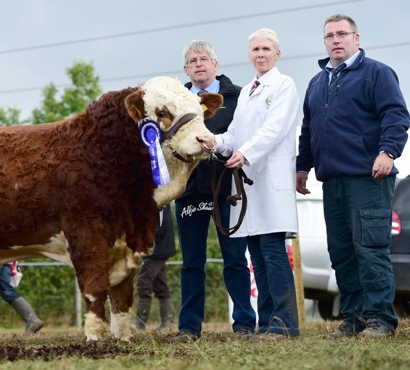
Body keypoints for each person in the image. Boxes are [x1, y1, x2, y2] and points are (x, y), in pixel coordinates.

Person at [296, 14, 410, 338]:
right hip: (331, 182)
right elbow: (309, 130)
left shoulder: (377, 73)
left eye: (342, 34)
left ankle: (380, 320)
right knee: (342, 252)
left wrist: (388, 152)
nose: (335, 40)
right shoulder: (317, 83)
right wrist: (302, 167)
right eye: (329, 35)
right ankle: (354, 319)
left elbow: (396, 115)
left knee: (370, 248)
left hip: (368, 179)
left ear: (356, 39)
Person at [213, 28, 300, 339]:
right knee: (257, 257)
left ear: (277, 54)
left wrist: (243, 153)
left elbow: (274, 129)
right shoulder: (249, 91)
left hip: (270, 181)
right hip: (249, 185)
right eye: (255, 49)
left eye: (266, 49)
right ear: (249, 55)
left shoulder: (284, 85)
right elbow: (234, 134)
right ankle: (267, 323)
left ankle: (286, 324)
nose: (260, 54)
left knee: (274, 253)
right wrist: (211, 141)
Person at [174, 39, 256, 341]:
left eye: (204, 58)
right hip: (189, 189)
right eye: (193, 60)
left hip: (227, 187)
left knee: (235, 258)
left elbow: (244, 136)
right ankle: (188, 327)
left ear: (215, 64)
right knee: (191, 262)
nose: (199, 63)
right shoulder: (176, 101)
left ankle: (245, 323)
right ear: (186, 68)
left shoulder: (237, 97)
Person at [133, 204, 177, 330]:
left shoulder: (157, 194)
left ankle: (140, 322)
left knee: (144, 281)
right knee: (160, 283)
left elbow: (157, 224)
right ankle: (168, 321)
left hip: (156, 247)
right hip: (158, 245)